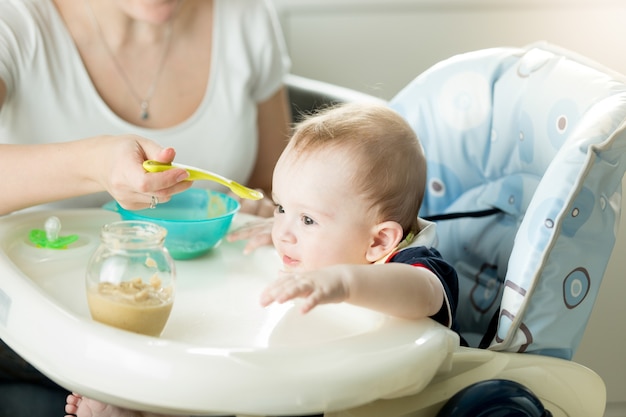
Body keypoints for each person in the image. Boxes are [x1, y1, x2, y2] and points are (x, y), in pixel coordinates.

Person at [64, 102, 459, 417]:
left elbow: (423, 293)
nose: (284, 231)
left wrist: (342, 282)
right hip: (299, 385)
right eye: (283, 208)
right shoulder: (317, 242)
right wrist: (259, 213)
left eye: (307, 219)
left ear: (378, 243)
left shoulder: (412, 264)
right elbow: (295, 225)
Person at [0, 0, 291, 415]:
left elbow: (268, 186)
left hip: (207, 340)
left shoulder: (246, 16)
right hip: (36, 340)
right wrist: (92, 164)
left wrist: (275, 216)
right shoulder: (16, 20)